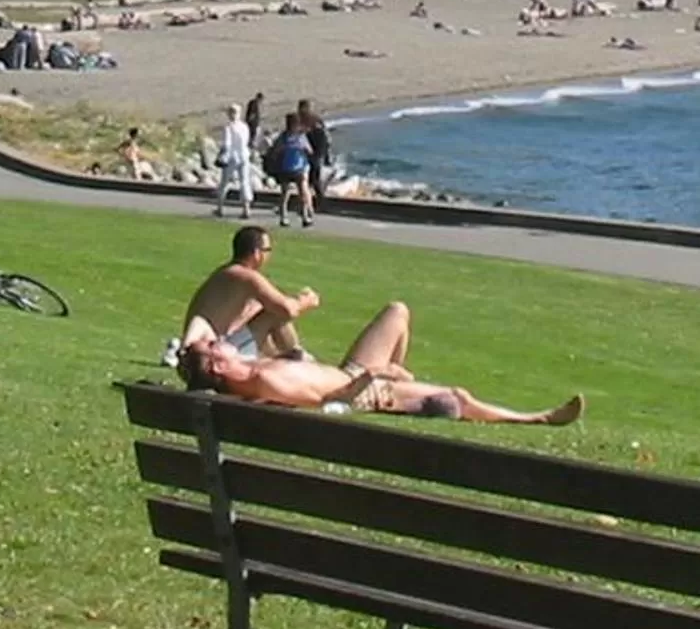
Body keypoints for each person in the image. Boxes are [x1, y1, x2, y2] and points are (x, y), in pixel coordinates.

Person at [176, 300, 581, 425]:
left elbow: (205, 330)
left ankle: (400, 381)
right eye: (215, 346)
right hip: (359, 389)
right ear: (218, 368)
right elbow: (330, 404)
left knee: (396, 312)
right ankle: (539, 418)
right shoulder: (265, 383)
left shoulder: (249, 370)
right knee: (456, 397)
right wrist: (375, 374)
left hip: (351, 373)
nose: (221, 341)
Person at [175, 225, 318, 361]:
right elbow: (287, 309)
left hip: (204, 351)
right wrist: (306, 301)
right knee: (275, 313)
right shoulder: (247, 276)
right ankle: (298, 358)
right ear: (257, 253)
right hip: (214, 354)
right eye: (267, 250)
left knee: (264, 309)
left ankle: (291, 356)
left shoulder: (228, 273)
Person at [213, 103, 255, 217]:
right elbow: (247, 141)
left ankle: (220, 208)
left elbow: (227, 144)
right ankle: (246, 209)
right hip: (244, 155)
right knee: (244, 181)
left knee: (225, 182)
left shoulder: (228, 127)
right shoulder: (244, 127)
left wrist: (221, 154)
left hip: (231, 157)